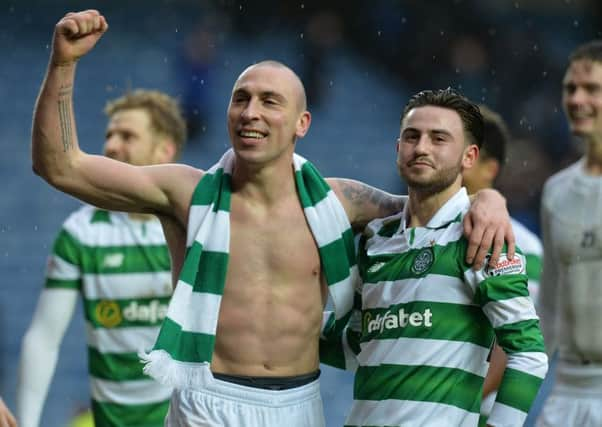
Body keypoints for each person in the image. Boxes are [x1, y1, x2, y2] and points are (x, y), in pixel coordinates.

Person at [31, 10, 514, 426]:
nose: (250, 112)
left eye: (269, 101)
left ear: (302, 123)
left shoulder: (343, 203)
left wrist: (488, 201)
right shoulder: (184, 192)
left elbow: (434, 209)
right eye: (240, 98)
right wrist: (63, 64)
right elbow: (60, 165)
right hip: (207, 402)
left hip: (298, 405)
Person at [324, 89, 548, 426]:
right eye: (412, 137)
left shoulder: (481, 235)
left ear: (469, 157)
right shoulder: (376, 239)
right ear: (398, 148)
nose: (422, 147)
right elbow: (361, 347)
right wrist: (292, 332)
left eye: (439, 138)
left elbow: (529, 355)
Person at [17, 89, 187, 427]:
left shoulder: (193, 226)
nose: (110, 145)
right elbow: (43, 339)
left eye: (127, 135)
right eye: (109, 135)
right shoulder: (81, 233)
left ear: (164, 150)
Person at [461, 105, 544, 425]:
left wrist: (446, 407)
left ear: (490, 168)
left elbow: (509, 348)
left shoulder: (522, 244)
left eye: (469, 156)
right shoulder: (421, 232)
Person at [536, 40, 602, 427]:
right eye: (570, 88)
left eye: (592, 89)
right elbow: (549, 307)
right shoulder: (556, 191)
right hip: (566, 391)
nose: (577, 99)